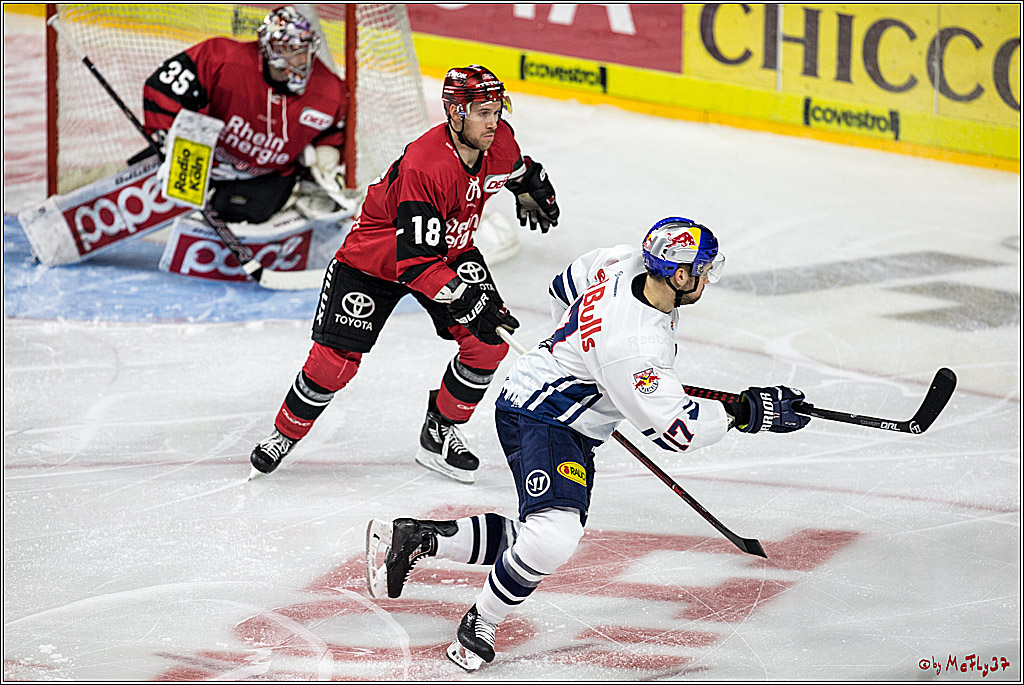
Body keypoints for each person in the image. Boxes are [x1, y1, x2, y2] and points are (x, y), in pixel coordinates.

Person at [364, 217, 811, 671]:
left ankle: (422, 538)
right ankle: (481, 621)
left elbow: (563, 287)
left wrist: (583, 361)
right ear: (678, 275)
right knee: (554, 535)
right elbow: (677, 431)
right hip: (541, 415)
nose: (706, 277)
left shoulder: (623, 261)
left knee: (542, 533)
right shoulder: (633, 347)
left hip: (558, 409)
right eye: (702, 269)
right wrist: (747, 415)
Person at [249, 65, 561, 483]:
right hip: (374, 262)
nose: (493, 122)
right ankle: (283, 435)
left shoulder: (498, 140)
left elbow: (514, 169)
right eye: (482, 112)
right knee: (333, 364)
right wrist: (467, 299)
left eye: (496, 110)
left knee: (487, 345)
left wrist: (530, 187)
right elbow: (415, 264)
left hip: (448, 252)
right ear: (455, 114)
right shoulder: (426, 166)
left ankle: (440, 432)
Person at [142, 5, 349, 225]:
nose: (301, 60)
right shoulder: (223, 59)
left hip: (264, 177)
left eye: (304, 50)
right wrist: (167, 142)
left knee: (247, 214)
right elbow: (163, 88)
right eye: (291, 49)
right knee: (162, 190)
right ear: (270, 49)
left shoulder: (329, 91)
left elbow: (332, 134)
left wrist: (319, 170)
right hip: (204, 159)